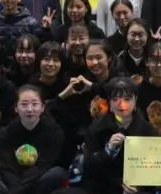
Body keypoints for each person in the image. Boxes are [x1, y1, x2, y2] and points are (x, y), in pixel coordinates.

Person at [40, 77, 157, 194]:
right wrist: (108, 151)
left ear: (135, 100)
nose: (121, 104)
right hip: (101, 192)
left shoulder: (147, 130)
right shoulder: (97, 127)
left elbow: (154, 169)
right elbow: (88, 167)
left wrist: (137, 187)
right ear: (109, 102)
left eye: (127, 99)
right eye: (115, 99)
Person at [50, 40, 118, 169]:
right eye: (90, 58)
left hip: (114, 135)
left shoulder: (119, 77)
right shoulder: (81, 81)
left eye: (99, 57)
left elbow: (117, 96)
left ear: (109, 58)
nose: (94, 62)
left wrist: (93, 86)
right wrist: (64, 95)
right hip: (88, 138)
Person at [117, 18, 151, 82]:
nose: (137, 39)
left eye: (141, 35)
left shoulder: (152, 59)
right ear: (126, 35)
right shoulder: (119, 59)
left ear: (147, 36)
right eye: (133, 35)